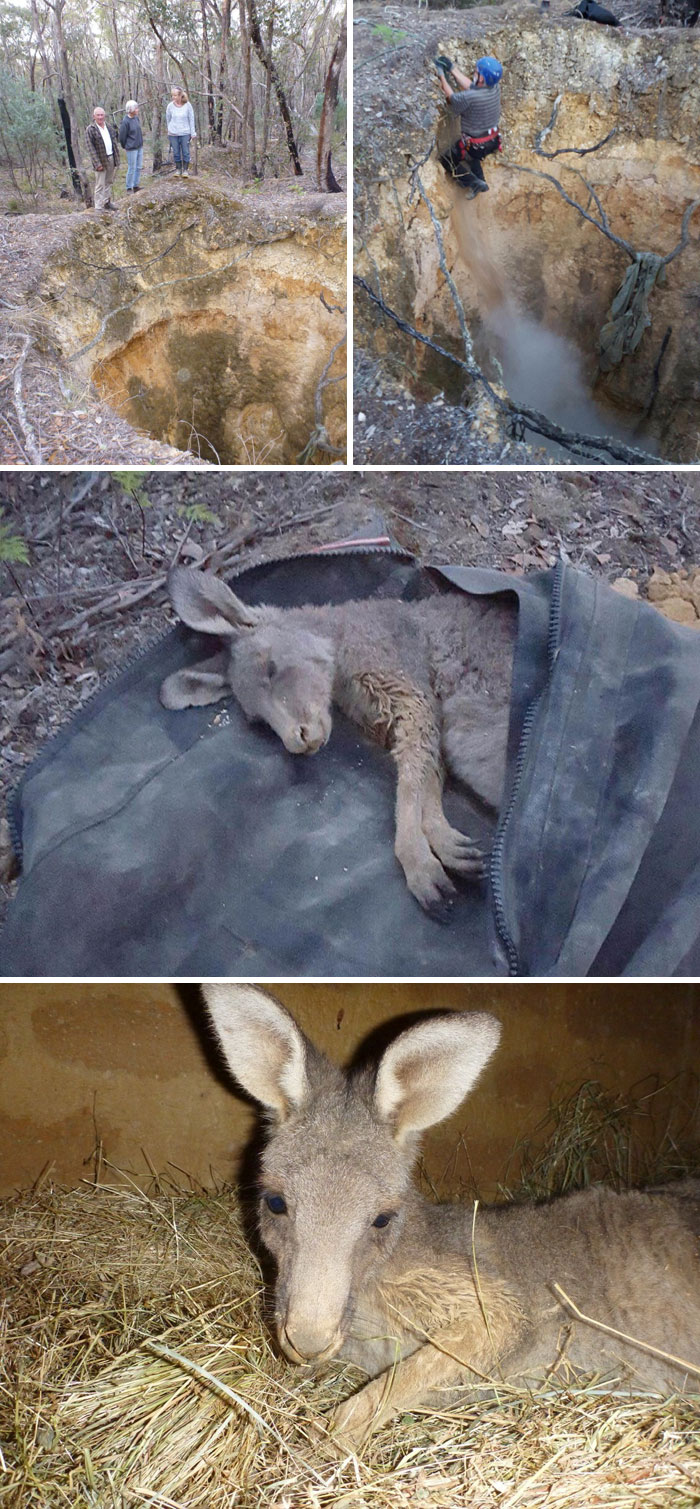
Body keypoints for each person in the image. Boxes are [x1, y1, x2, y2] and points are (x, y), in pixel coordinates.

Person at [436, 56, 503, 199]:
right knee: (474, 156)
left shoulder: (470, 98)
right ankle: (481, 181)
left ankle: (473, 182)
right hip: (492, 142)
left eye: (477, 72)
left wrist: (441, 75)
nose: (474, 72)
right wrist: (452, 69)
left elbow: (451, 99)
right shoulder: (495, 88)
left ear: (482, 79)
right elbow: (472, 87)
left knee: (447, 159)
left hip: (475, 146)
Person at [85, 106, 120, 212]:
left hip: (111, 158)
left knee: (109, 182)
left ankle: (107, 202)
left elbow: (114, 143)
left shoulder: (108, 127)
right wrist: (97, 163)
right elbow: (90, 148)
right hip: (100, 160)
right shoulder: (90, 129)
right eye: (98, 115)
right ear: (94, 116)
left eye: (102, 115)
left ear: (104, 115)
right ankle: (99, 207)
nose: (100, 117)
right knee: (100, 184)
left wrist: (116, 159)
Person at [166, 87, 196, 178]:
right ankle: (178, 169)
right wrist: (169, 130)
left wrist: (192, 132)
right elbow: (168, 119)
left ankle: (185, 170)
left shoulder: (188, 105)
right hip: (173, 133)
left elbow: (191, 119)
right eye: (172, 95)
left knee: (185, 152)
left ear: (180, 95)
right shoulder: (170, 106)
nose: (173, 97)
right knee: (176, 152)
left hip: (185, 133)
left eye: (175, 95)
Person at [119, 100, 144, 193]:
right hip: (131, 148)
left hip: (139, 146)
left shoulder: (136, 118)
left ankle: (136, 185)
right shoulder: (125, 121)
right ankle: (129, 187)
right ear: (131, 109)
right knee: (132, 168)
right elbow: (122, 137)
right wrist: (125, 146)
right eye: (136, 108)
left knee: (138, 167)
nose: (137, 110)